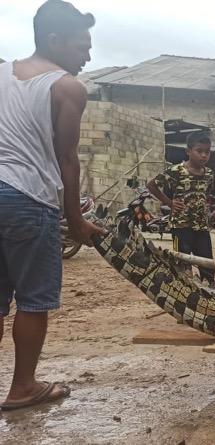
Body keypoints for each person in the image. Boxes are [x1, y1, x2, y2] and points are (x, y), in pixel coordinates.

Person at [0, 0, 104, 411]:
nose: (88, 55)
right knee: (33, 300)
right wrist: (75, 218)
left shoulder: (1, 73)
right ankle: (23, 385)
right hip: (29, 199)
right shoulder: (66, 87)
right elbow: (67, 159)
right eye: (82, 46)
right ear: (55, 40)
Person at [147, 131, 215, 287]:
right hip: (181, 225)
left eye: (207, 151)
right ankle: (186, 287)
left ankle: (210, 285)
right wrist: (169, 203)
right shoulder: (176, 171)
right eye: (199, 151)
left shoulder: (209, 174)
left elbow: (207, 193)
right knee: (183, 261)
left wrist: (205, 206)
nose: (204, 155)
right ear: (188, 151)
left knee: (206, 260)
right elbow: (151, 185)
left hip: (201, 225)